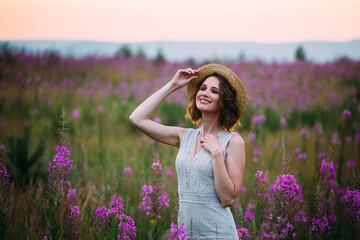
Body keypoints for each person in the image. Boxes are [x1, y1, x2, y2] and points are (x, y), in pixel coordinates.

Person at [129, 63, 247, 239]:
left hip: (218, 234)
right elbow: (137, 118)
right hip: (186, 234)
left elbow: (227, 198)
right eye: (203, 88)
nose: (205, 93)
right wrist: (173, 85)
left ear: (224, 101)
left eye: (214, 91)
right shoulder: (184, 137)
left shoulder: (233, 142)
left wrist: (216, 155)